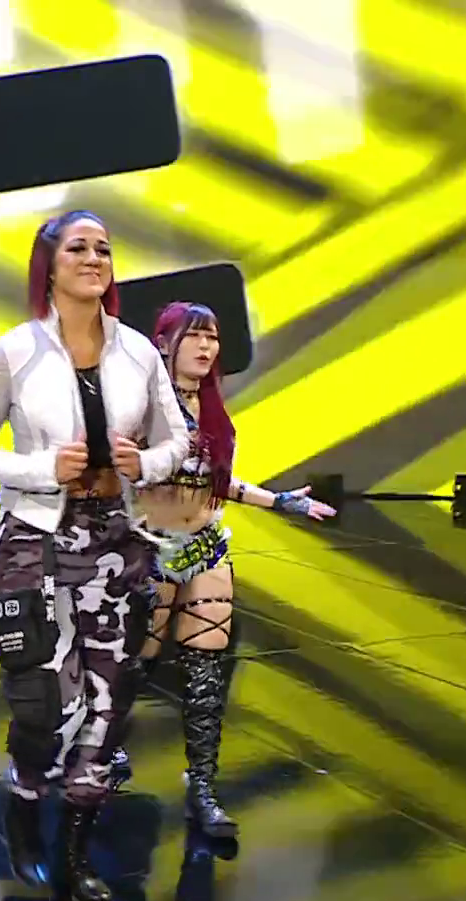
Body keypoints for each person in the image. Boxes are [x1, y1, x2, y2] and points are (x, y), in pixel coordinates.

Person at [0, 210, 189, 901]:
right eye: (79, 248)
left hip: (117, 541)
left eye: (104, 249)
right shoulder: (14, 352)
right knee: (46, 704)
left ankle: (76, 852)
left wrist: (144, 462)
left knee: (108, 707)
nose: (94, 258)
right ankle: (24, 802)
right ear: (49, 267)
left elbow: (176, 440)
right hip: (35, 539)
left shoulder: (139, 353)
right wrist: (38, 468)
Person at [135, 301, 336, 840]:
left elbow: (221, 484)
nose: (207, 347)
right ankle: (89, 754)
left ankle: (202, 787)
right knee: (136, 666)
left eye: (213, 337)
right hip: (150, 551)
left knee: (206, 676)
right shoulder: (141, 405)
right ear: (163, 343)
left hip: (206, 549)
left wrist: (283, 502)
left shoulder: (212, 410)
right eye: (195, 336)